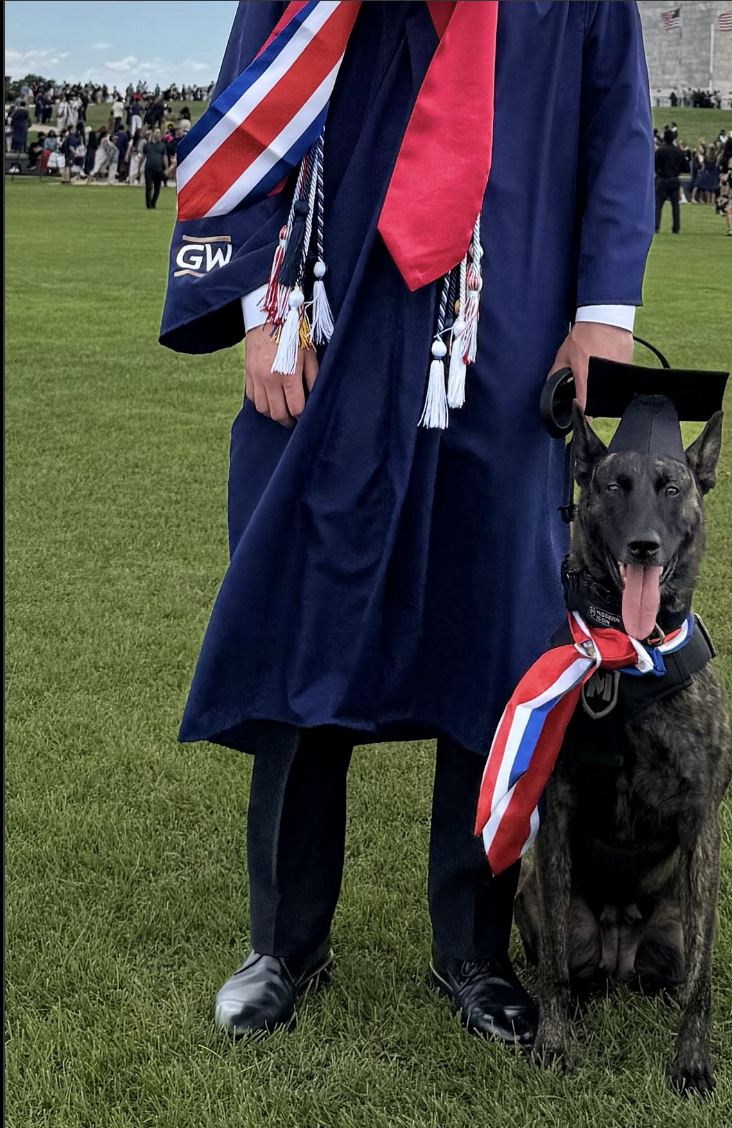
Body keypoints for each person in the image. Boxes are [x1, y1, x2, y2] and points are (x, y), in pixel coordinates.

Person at [158, 0, 652, 1047]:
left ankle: (472, 947)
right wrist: (261, 311)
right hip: (328, 318)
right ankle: (284, 940)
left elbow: (616, 124)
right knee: (305, 612)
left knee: (494, 635)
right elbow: (251, 107)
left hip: (505, 335)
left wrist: (603, 314)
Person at [654, 130, 686, 233]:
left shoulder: (660, 151)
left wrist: (659, 172)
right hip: (674, 179)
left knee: (658, 205)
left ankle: (656, 226)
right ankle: (676, 227)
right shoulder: (678, 151)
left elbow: (655, 164)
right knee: (675, 205)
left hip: (662, 179)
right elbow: (685, 167)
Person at [142, 127, 169, 208]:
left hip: (158, 168)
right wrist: (140, 167)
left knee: (157, 187)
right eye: (156, 132)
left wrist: (166, 168)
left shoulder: (162, 146)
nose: (158, 134)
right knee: (149, 187)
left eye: (159, 133)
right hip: (149, 168)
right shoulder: (147, 145)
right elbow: (143, 156)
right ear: (153, 133)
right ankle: (148, 204)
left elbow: (164, 157)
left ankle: (153, 202)